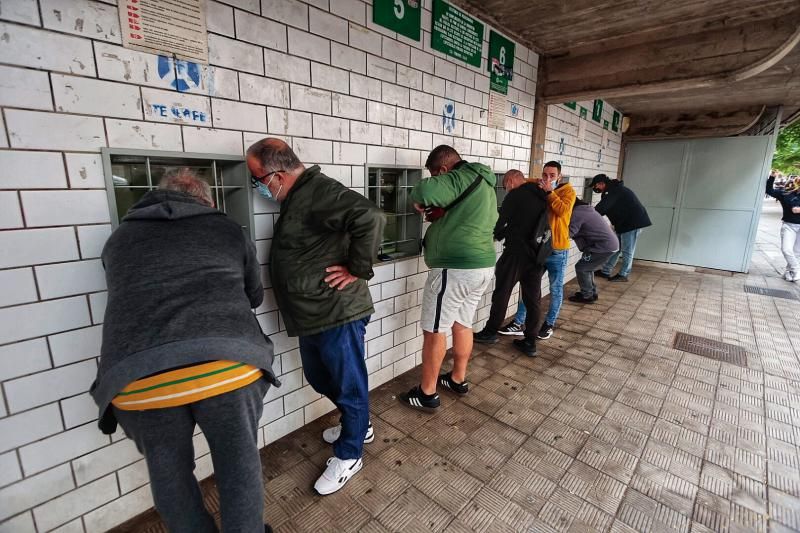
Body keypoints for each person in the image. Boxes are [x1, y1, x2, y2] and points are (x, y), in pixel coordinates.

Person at [91, 169, 278, 533]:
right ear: (206, 201)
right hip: (226, 367)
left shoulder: (118, 240)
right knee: (237, 466)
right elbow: (253, 296)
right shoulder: (224, 228)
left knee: (169, 473)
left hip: (138, 378)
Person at [246, 138, 384, 495]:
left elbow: (370, 215)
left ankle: (350, 452)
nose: (257, 186)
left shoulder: (317, 191)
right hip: (315, 313)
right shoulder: (301, 196)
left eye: (257, 179)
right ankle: (359, 422)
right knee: (321, 377)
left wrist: (357, 267)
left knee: (348, 383)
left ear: (276, 175)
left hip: (336, 310)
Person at [398, 145, 497, 411]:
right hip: (482, 266)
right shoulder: (484, 182)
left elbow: (423, 190)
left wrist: (420, 200)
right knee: (462, 324)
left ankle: (427, 393)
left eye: (434, 174)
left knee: (434, 330)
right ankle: (457, 379)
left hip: (454, 269)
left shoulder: (459, 177)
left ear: (442, 170)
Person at [473, 170, 549, 355]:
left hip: (516, 253)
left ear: (512, 180)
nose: (506, 188)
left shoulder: (516, 195)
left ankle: (491, 332)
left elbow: (499, 221)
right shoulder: (542, 193)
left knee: (502, 293)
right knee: (533, 300)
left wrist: (495, 235)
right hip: (537, 254)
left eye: (506, 183)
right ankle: (530, 342)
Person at [497, 162, 575, 340]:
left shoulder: (568, 191)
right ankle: (519, 322)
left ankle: (549, 324)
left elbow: (562, 211)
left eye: (552, 176)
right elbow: (522, 181)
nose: (548, 179)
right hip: (538, 248)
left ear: (559, 177)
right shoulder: (538, 183)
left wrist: (549, 192)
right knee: (529, 288)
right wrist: (514, 183)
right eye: (545, 175)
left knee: (556, 288)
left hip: (557, 249)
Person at [591, 174, 652, 282]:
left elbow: (602, 208)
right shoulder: (612, 189)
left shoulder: (614, 190)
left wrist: (588, 214)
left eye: (596, 186)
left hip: (632, 223)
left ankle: (624, 274)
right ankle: (606, 271)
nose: (595, 189)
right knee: (616, 247)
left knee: (627, 250)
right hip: (623, 223)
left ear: (602, 183)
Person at [567, 198, 620, 303]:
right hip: (608, 244)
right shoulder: (585, 209)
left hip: (604, 246)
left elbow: (569, 233)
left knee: (582, 268)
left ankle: (587, 295)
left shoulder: (577, 212)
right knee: (588, 267)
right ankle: (590, 292)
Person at [766, 173, 800, 281]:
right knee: (786, 250)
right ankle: (796, 269)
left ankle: (788, 273)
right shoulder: (785, 193)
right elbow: (769, 191)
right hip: (789, 225)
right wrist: (772, 177)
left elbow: (796, 210)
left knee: (797, 252)